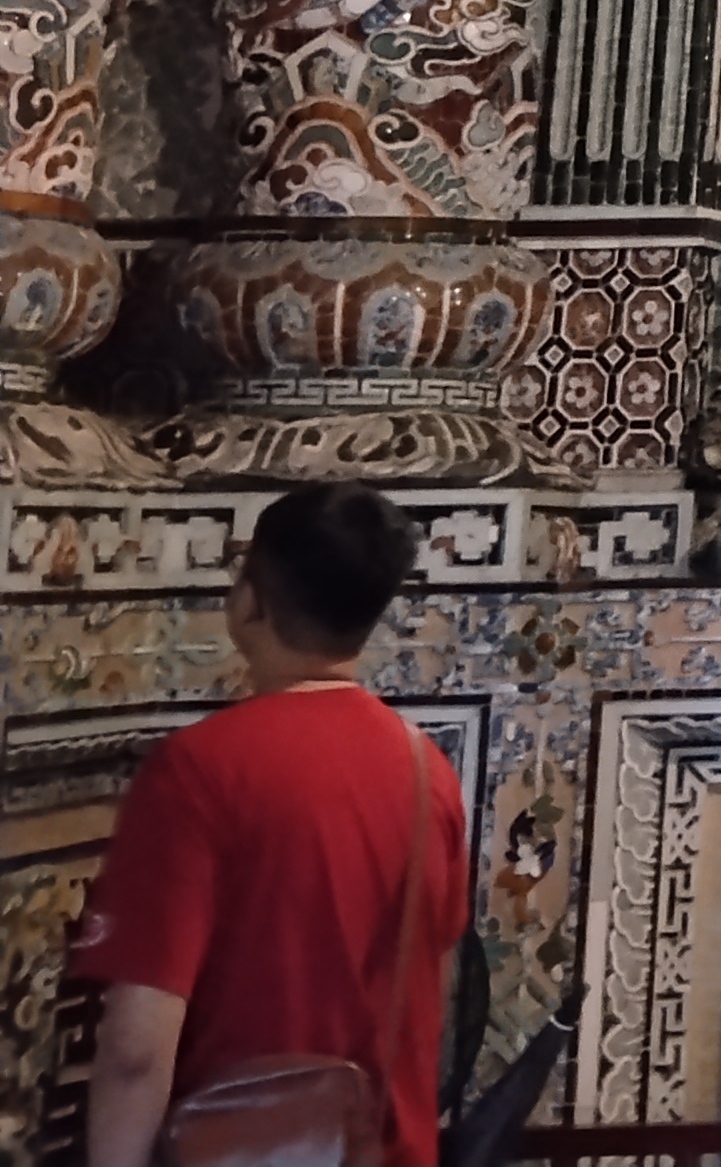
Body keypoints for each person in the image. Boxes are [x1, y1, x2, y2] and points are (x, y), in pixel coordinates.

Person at [71, 484, 468, 1167]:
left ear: (249, 600)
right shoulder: (428, 771)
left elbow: (137, 1049)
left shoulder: (200, 770)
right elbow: (439, 992)